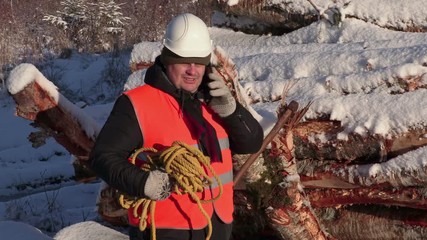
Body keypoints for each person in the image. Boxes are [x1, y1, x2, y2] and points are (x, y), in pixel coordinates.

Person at [89, 13, 263, 240]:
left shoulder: (213, 101)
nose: (193, 70)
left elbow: (252, 142)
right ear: (168, 59)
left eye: (199, 61)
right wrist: (144, 182)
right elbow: (102, 157)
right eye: (184, 61)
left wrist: (232, 111)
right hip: (164, 231)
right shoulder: (137, 103)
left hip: (219, 226)